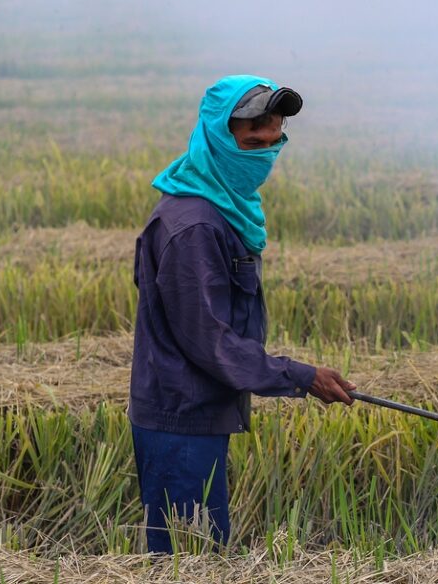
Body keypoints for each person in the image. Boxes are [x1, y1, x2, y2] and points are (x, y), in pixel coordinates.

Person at [128, 74, 356, 554]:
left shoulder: (223, 207)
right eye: (252, 141)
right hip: (179, 420)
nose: (264, 154)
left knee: (199, 557)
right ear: (217, 135)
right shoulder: (193, 226)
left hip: (197, 410)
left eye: (274, 142)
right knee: (188, 563)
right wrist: (300, 376)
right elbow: (209, 340)